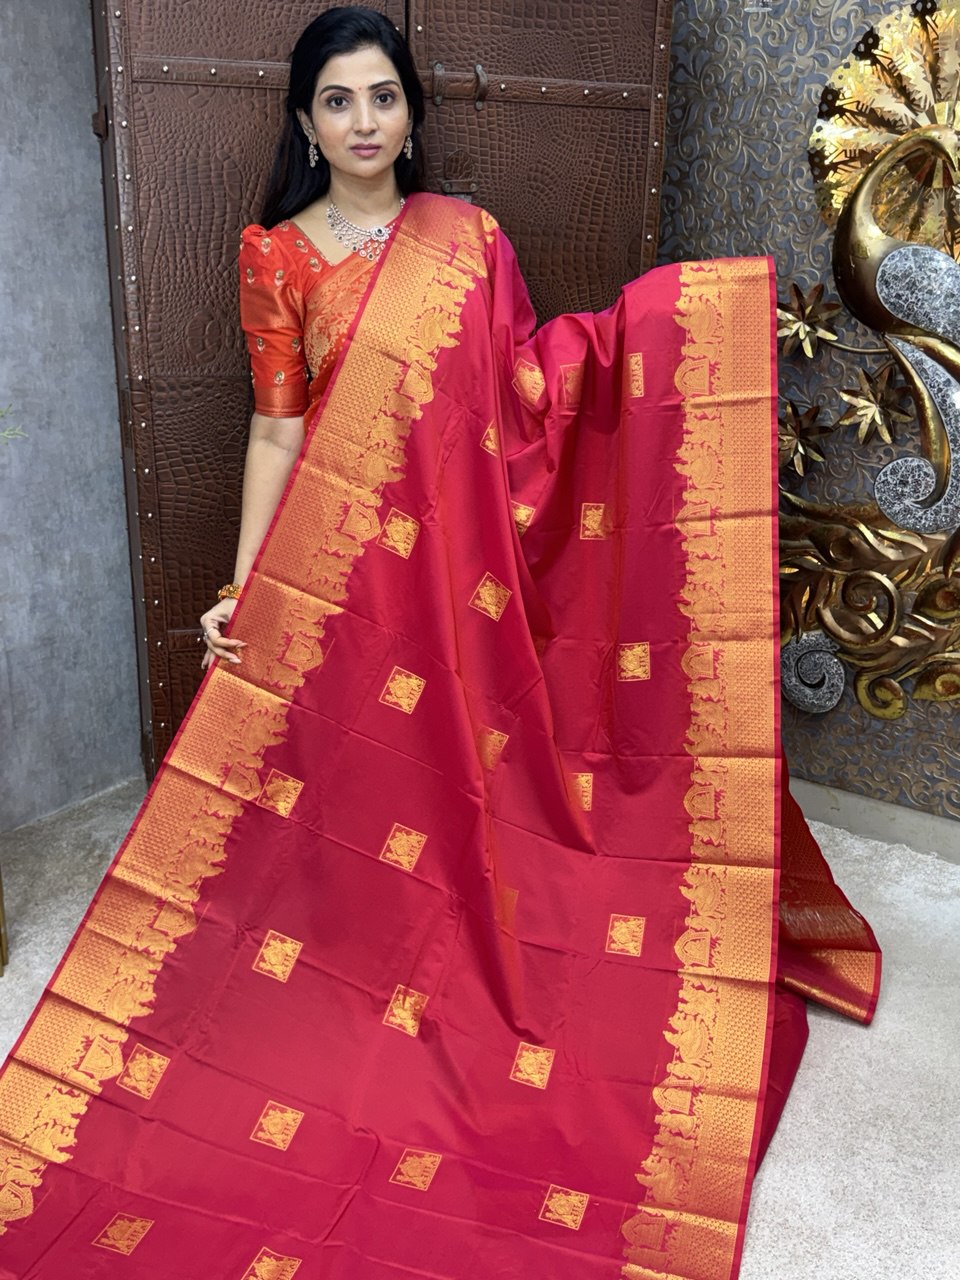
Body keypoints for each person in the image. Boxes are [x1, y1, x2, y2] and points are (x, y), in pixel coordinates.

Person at [0, 9, 879, 1280]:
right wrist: (248, 588)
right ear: (305, 123)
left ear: (412, 111)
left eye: (383, 97)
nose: (364, 122)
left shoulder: (468, 239)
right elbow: (276, 430)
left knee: (478, 824)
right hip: (346, 582)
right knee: (335, 836)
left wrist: (669, 327)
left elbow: (526, 396)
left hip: (460, 580)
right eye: (338, 101)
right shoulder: (277, 255)